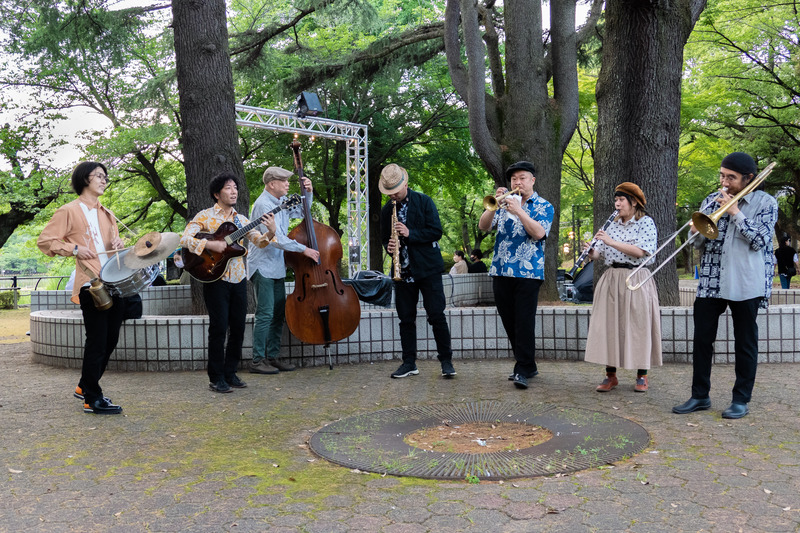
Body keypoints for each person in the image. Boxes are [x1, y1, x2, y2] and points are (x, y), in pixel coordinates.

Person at [673, 152, 778, 419]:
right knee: (702, 340)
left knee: (745, 342)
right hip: (711, 280)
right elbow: (698, 244)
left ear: (749, 178)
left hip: (746, 281)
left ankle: (741, 399)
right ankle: (699, 396)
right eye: (722, 175)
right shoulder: (711, 199)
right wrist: (694, 232)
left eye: (731, 177)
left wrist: (735, 213)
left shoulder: (766, 203)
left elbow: (760, 242)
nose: (725, 181)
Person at [37, 161, 126, 414]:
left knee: (110, 339)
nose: (104, 180)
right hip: (91, 283)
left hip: (114, 281)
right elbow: (45, 241)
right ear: (84, 179)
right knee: (97, 341)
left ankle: (84, 385)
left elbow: (111, 245)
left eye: (105, 176)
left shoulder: (107, 213)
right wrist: (74, 249)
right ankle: (91, 398)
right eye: (99, 175)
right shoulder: (69, 210)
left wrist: (119, 242)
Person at [181, 172, 275, 393]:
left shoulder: (241, 220)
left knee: (239, 328)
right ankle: (216, 377)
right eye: (228, 188)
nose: (234, 191)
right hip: (214, 278)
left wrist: (270, 232)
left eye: (235, 187)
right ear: (217, 193)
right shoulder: (204, 216)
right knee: (219, 327)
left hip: (238, 278)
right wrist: (209, 245)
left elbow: (259, 243)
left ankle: (231, 373)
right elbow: (184, 238)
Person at [478, 161, 554, 389]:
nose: (517, 182)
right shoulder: (502, 205)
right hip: (501, 270)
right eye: (513, 179)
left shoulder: (544, 205)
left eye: (522, 178)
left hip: (528, 272)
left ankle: (522, 367)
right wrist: (493, 206)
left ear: (532, 180)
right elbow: (483, 227)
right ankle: (528, 364)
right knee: (509, 319)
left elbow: (539, 233)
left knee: (524, 321)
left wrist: (519, 210)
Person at [380, 163, 456, 379]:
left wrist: (410, 233)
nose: (393, 195)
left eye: (395, 190)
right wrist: (389, 246)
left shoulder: (424, 201)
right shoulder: (387, 210)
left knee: (436, 315)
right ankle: (409, 363)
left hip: (428, 270)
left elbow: (436, 232)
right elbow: (385, 238)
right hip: (402, 271)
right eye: (389, 192)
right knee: (405, 319)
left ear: (405, 184)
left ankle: (446, 361)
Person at [583, 183, 661, 393]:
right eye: (615, 200)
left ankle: (642, 375)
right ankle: (610, 376)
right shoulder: (611, 224)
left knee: (639, 325)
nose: (617, 204)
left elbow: (640, 251)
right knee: (609, 326)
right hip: (612, 277)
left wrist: (611, 241)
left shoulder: (645, 223)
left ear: (634, 202)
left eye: (621, 200)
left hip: (636, 277)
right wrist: (590, 251)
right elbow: (598, 254)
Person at [247, 166, 319, 375]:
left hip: (277, 266)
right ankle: (257, 360)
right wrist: (303, 249)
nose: (288, 183)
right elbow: (276, 239)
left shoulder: (280, 202)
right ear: (271, 184)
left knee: (278, 313)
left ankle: (273, 357)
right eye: (284, 181)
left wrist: (309, 193)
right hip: (262, 266)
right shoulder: (262, 205)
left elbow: (302, 212)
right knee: (265, 314)